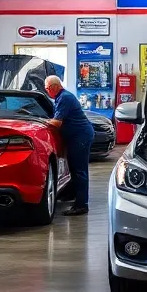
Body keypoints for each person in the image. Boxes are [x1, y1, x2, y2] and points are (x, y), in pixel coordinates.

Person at [45, 75, 94, 216]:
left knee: (80, 170)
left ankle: (82, 205)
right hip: (76, 136)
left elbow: (57, 122)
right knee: (73, 168)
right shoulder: (60, 97)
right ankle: (73, 195)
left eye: (47, 88)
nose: (47, 91)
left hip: (80, 136)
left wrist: (41, 121)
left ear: (54, 86)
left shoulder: (64, 98)